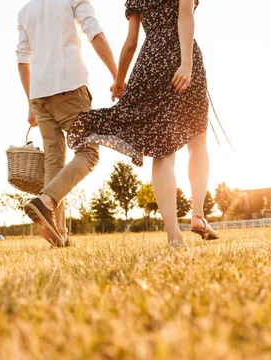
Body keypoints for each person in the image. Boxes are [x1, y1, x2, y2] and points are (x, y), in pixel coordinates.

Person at [68, 0, 218, 246]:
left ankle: (173, 235)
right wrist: (186, 65)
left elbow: (131, 43)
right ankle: (198, 215)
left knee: (163, 151)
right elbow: (184, 17)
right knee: (197, 142)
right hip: (180, 56)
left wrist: (119, 81)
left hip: (149, 63)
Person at [16, 0, 118, 247]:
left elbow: (22, 58)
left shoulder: (26, 11)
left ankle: (58, 232)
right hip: (69, 88)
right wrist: (117, 75)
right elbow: (93, 30)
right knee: (90, 153)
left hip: (39, 94)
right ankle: (46, 200)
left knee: (54, 159)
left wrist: (30, 100)